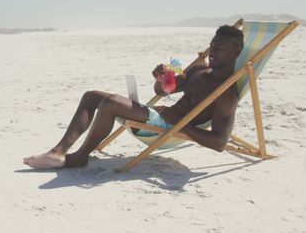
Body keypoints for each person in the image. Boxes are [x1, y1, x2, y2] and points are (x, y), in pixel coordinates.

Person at [23, 25, 244, 169]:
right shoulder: (199, 71)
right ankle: (58, 151)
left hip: (169, 129)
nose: (213, 52)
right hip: (158, 118)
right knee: (91, 96)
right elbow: (163, 92)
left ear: (236, 51)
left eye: (220, 48)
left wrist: (180, 124)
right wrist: (161, 79)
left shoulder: (226, 93)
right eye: (212, 46)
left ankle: (80, 156)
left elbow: (219, 143)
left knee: (110, 104)